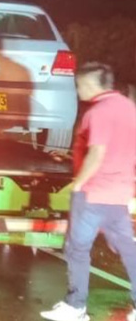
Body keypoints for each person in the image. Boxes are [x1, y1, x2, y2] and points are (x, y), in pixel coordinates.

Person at [41, 63, 136, 321]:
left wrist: (79, 183)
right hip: (119, 193)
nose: (78, 91)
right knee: (128, 249)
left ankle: (76, 307)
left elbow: (98, 153)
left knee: (77, 249)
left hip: (93, 193)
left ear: (91, 85)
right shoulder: (129, 108)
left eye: (79, 85)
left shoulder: (99, 112)